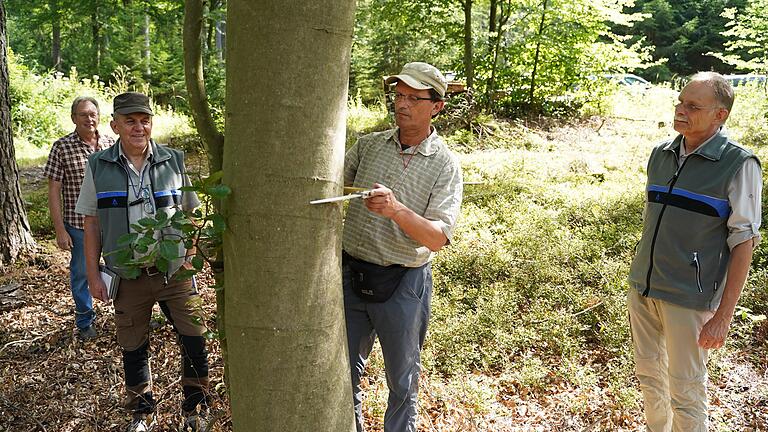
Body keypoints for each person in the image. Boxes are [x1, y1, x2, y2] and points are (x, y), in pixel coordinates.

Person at [628, 72, 762, 431]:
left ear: (720, 115)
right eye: (680, 101)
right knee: (649, 377)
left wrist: (723, 315)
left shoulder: (739, 164)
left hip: (690, 298)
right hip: (642, 288)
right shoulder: (662, 154)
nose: (681, 110)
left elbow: (744, 242)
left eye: (693, 106)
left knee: (686, 390)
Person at [75, 92, 210, 432]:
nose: (138, 127)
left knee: (194, 337)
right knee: (133, 346)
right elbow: (91, 223)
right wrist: (93, 275)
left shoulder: (173, 161)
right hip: (127, 275)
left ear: (151, 123)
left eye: (144, 120)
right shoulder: (99, 166)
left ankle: (195, 409)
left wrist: (189, 259)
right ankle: (141, 413)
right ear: (115, 125)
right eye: (130, 121)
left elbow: (192, 213)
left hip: (174, 273)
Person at [342, 62, 463, 432]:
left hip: (403, 284)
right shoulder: (368, 146)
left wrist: (395, 209)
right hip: (349, 275)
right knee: (343, 375)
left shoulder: (445, 164)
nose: (403, 104)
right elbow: (330, 188)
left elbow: (437, 238)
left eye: (414, 97)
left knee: (402, 382)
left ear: (436, 106)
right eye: (398, 95)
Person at [43, 96, 114, 340]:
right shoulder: (61, 147)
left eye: (92, 114)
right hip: (79, 225)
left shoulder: (110, 143)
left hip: (112, 222)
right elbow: (53, 191)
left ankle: (127, 314)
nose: (89, 118)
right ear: (74, 118)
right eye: (83, 114)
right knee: (82, 273)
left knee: (122, 268)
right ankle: (85, 321)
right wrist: (60, 230)